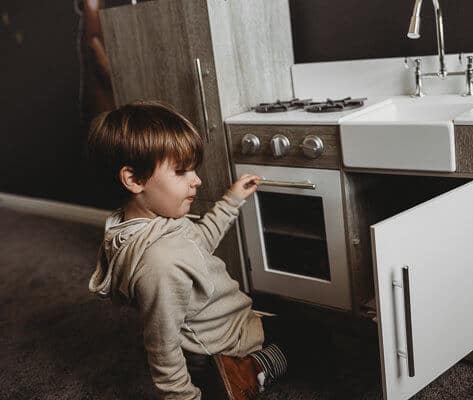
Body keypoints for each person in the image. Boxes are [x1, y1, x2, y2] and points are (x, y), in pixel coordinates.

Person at [85, 100, 312, 400]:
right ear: (134, 180)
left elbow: (198, 242)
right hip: (219, 342)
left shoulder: (150, 222)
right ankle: (248, 369)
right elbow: (161, 344)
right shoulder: (159, 263)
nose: (197, 180)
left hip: (219, 318)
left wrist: (230, 201)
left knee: (290, 314)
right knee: (313, 338)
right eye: (181, 171)